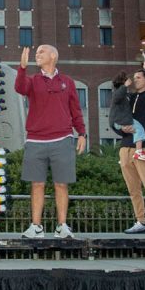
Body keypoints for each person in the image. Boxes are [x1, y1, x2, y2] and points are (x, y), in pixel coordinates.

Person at [16, 44, 86, 239]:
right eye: (36, 53)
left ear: (53, 56)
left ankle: (62, 226)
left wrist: (82, 133)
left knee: (61, 184)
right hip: (35, 141)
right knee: (36, 184)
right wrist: (22, 68)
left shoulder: (68, 82)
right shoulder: (32, 80)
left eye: (41, 52)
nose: (37, 55)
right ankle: (36, 227)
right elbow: (19, 88)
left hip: (63, 139)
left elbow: (76, 110)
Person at [113, 64, 145, 235]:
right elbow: (116, 110)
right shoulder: (130, 97)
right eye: (134, 78)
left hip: (144, 147)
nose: (135, 80)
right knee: (133, 188)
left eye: (138, 78)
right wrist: (121, 130)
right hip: (125, 148)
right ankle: (140, 221)